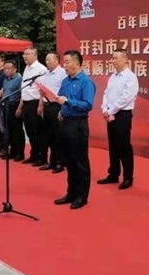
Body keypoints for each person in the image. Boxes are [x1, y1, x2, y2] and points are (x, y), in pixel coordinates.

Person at [54, 50, 96, 210]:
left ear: (77, 63)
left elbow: (88, 104)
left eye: (67, 62)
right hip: (65, 122)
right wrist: (61, 108)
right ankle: (71, 193)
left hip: (78, 124)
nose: (64, 65)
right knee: (68, 160)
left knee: (80, 161)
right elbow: (60, 98)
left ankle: (82, 196)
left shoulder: (86, 82)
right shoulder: (65, 81)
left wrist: (68, 102)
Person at [97, 49, 139, 190]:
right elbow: (106, 94)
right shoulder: (113, 76)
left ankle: (128, 177)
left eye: (116, 58)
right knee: (113, 145)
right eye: (112, 58)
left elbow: (125, 98)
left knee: (124, 146)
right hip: (110, 113)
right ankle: (113, 174)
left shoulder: (130, 77)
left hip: (123, 115)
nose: (113, 61)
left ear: (125, 59)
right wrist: (104, 108)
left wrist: (110, 111)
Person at [37, 52, 67, 173]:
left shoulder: (62, 73)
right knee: (49, 135)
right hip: (47, 106)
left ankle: (60, 162)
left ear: (57, 60)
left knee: (57, 135)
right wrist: (41, 102)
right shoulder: (47, 73)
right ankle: (52, 161)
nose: (47, 62)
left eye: (49, 59)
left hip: (57, 106)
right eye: (46, 60)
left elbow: (64, 92)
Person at [18, 47, 48, 167]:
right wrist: (20, 106)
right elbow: (24, 88)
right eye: (24, 54)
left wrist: (40, 105)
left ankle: (42, 157)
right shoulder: (26, 68)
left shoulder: (41, 69)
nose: (25, 56)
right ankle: (34, 154)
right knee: (30, 131)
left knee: (38, 131)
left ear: (35, 55)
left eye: (27, 54)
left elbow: (42, 89)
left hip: (35, 103)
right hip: (26, 103)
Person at [0, 60, 25, 162]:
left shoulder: (19, 79)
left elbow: (23, 94)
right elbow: (4, 92)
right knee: (9, 130)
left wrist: (20, 108)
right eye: (5, 68)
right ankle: (12, 151)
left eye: (9, 68)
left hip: (15, 105)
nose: (6, 70)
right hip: (6, 106)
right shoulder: (6, 80)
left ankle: (19, 153)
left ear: (15, 69)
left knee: (17, 130)